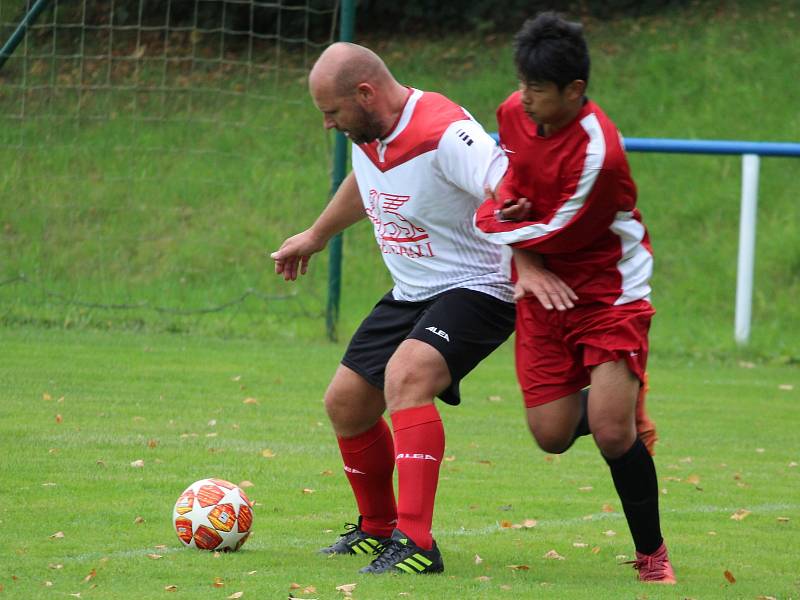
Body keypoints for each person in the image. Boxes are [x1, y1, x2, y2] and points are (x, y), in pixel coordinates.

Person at [271, 42, 533, 575]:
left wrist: (530, 256)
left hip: (479, 285)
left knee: (406, 377)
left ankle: (417, 544)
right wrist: (317, 235)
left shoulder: (445, 130)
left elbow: (508, 186)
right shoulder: (366, 132)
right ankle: (377, 527)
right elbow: (366, 183)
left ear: (365, 93)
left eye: (331, 112)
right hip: (413, 290)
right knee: (346, 403)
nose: (328, 124)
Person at [474, 13, 676, 584]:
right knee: (552, 434)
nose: (524, 99)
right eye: (522, 84)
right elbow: (510, 182)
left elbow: (558, 228)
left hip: (610, 287)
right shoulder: (514, 113)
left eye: (537, 89)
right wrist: (507, 206)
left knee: (613, 432)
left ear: (575, 90)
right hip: (543, 286)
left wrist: (492, 223)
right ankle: (623, 399)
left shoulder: (598, 154)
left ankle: (652, 557)